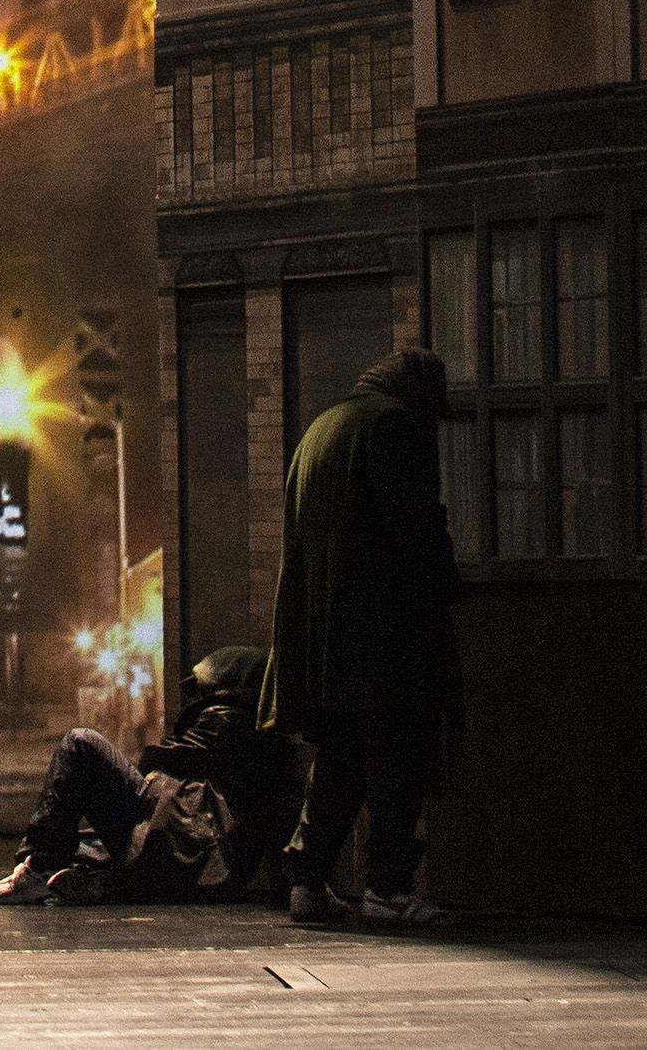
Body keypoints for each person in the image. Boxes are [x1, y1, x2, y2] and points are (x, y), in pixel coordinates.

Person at [263, 350, 463, 929]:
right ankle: (388, 888)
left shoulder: (318, 431)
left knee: (341, 761)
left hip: (321, 642)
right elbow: (416, 532)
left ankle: (308, 881)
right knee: (399, 757)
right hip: (384, 639)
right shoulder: (391, 427)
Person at [0, 644, 303, 906]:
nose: (196, 698)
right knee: (88, 841)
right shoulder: (273, 745)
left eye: (204, 690)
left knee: (80, 744)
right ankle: (98, 880)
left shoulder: (228, 721)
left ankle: (39, 867)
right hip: (188, 858)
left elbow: (157, 759)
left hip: (178, 847)